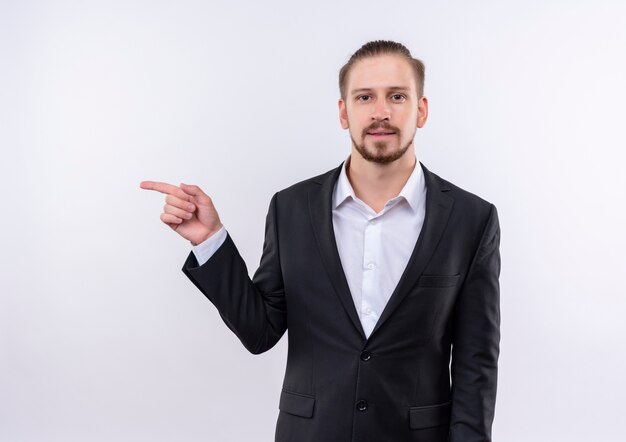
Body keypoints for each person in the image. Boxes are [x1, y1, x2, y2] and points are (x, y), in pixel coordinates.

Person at [140, 40, 501, 442]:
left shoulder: (471, 219)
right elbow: (261, 331)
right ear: (344, 112)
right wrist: (209, 240)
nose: (380, 111)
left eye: (396, 96)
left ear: (421, 110)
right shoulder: (291, 208)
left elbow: (476, 363)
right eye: (365, 97)